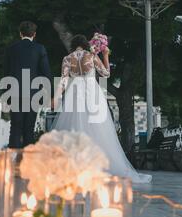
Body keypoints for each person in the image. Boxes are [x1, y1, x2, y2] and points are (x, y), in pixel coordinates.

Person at [52, 34, 151, 183]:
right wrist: (105, 55)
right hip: (92, 93)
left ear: (73, 46)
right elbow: (106, 73)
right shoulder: (91, 56)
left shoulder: (67, 59)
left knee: (75, 130)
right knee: (97, 130)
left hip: (74, 94)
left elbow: (64, 82)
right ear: (86, 45)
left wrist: (56, 98)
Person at [4, 21, 52, 149]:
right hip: (33, 95)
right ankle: (27, 164)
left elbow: (6, 73)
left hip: (14, 93)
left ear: (20, 34)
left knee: (15, 128)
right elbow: (46, 74)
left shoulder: (11, 49)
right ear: (34, 34)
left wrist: (6, 96)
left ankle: (11, 162)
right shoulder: (40, 49)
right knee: (29, 130)